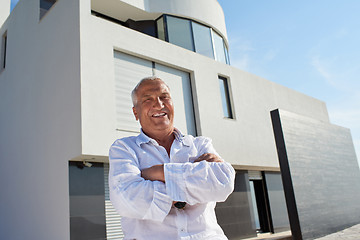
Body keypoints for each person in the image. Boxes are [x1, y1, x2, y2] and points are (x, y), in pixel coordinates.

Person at [109, 76, 235, 240]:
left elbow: (223, 183)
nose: (159, 104)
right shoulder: (124, 149)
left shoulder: (200, 144)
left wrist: (154, 173)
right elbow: (128, 200)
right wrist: (193, 177)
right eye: (148, 99)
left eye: (164, 97)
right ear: (135, 112)